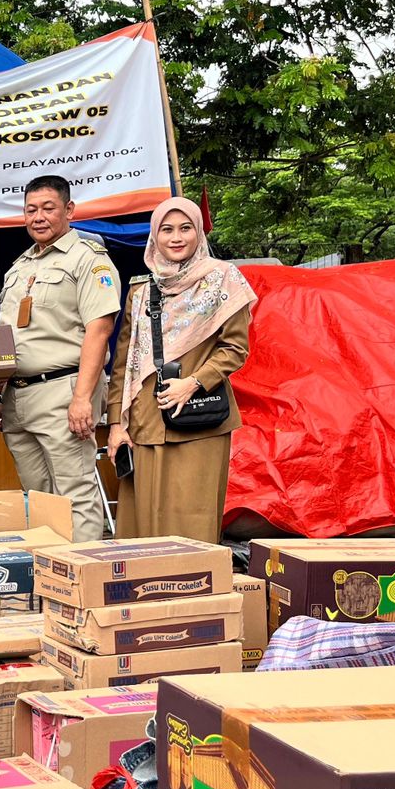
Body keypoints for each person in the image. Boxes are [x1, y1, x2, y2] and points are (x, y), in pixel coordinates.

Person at [106, 197, 255, 544]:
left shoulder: (223, 280)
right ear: (154, 237)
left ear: (198, 232)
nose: (176, 238)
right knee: (142, 524)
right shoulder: (140, 290)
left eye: (186, 228)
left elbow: (236, 348)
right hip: (145, 420)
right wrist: (115, 424)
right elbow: (123, 362)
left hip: (200, 418)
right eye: (167, 230)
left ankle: (191, 579)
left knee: (193, 520)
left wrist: (194, 383)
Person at [0, 174, 121, 543]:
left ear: (69, 210)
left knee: (75, 493)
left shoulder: (87, 259)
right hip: (18, 395)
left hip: (64, 390)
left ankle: (85, 571)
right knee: (39, 499)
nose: (38, 217)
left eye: (48, 208)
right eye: (31, 209)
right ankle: (53, 570)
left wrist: (82, 398)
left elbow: (99, 330)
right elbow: (8, 337)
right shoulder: (20, 266)